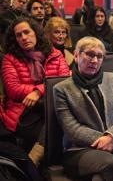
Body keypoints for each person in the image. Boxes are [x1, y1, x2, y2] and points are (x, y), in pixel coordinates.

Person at [53, 36, 113, 181]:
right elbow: (73, 130)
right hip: (79, 151)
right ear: (76, 54)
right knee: (111, 164)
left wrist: (112, 137)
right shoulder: (61, 89)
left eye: (99, 56)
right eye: (90, 54)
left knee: (100, 177)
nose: (94, 60)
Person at [1, 17, 70, 166]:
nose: (24, 37)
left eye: (27, 32)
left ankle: (34, 160)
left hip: (51, 107)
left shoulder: (54, 54)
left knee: (59, 119)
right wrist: (43, 89)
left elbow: (64, 82)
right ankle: (36, 164)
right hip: (24, 113)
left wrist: (38, 91)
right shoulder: (10, 58)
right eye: (18, 35)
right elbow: (13, 89)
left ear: (36, 33)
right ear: (15, 39)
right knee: (59, 124)